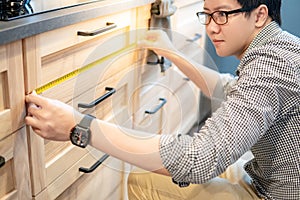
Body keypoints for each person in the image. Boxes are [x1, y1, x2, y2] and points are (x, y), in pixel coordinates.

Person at [25, 0, 300, 199]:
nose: (211, 28)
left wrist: (80, 126)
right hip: (263, 175)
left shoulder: (269, 64)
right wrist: (172, 53)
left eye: (222, 15)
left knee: (143, 183)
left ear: (260, 15)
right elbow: (229, 89)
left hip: (273, 194)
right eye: (206, 15)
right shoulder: (281, 48)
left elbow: (198, 160)